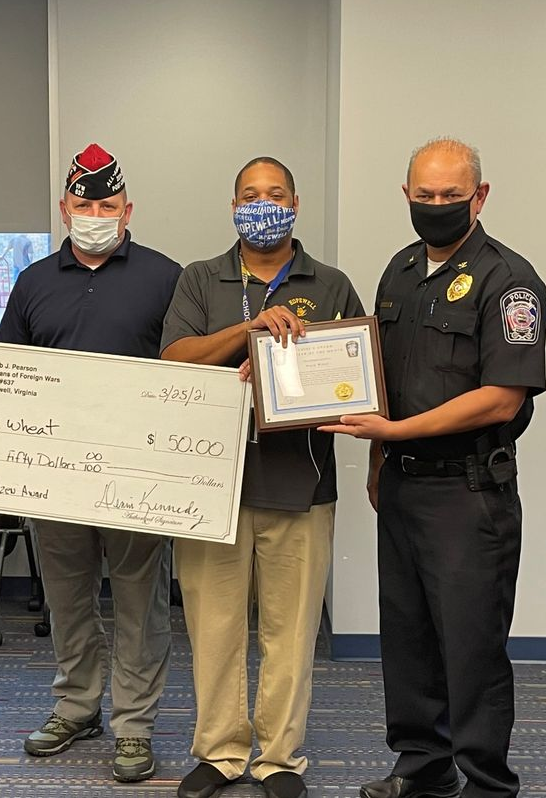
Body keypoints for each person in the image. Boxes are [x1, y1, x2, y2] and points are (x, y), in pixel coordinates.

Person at [323, 138, 546, 798]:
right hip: (402, 485)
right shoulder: (398, 271)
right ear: (406, 196)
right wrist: (378, 456)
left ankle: (485, 780)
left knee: (471, 646)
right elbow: (380, 379)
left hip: (468, 491)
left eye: (452, 196)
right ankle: (422, 765)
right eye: (425, 195)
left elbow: (501, 395)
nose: (438, 206)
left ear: (480, 197)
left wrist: (394, 433)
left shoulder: (509, 282)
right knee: (409, 635)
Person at [161, 156, 364, 798]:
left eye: (275, 193)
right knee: (214, 628)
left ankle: (279, 758)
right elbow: (174, 358)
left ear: (296, 204)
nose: (263, 203)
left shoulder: (330, 284)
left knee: (291, 630)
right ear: (232, 206)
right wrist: (247, 333)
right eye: (250, 194)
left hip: (300, 487)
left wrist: (296, 366)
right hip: (209, 488)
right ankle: (220, 752)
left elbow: (356, 382)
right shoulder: (200, 279)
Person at [0, 143, 181, 783]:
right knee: (67, 597)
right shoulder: (32, 282)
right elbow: (5, 373)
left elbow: (189, 370)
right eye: (83, 204)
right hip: (55, 479)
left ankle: (134, 725)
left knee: (140, 603)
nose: (94, 214)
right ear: (64, 208)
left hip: (138, 477)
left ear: (128, 210)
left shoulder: (167, 277)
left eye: (106, 205)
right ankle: (75, 706)